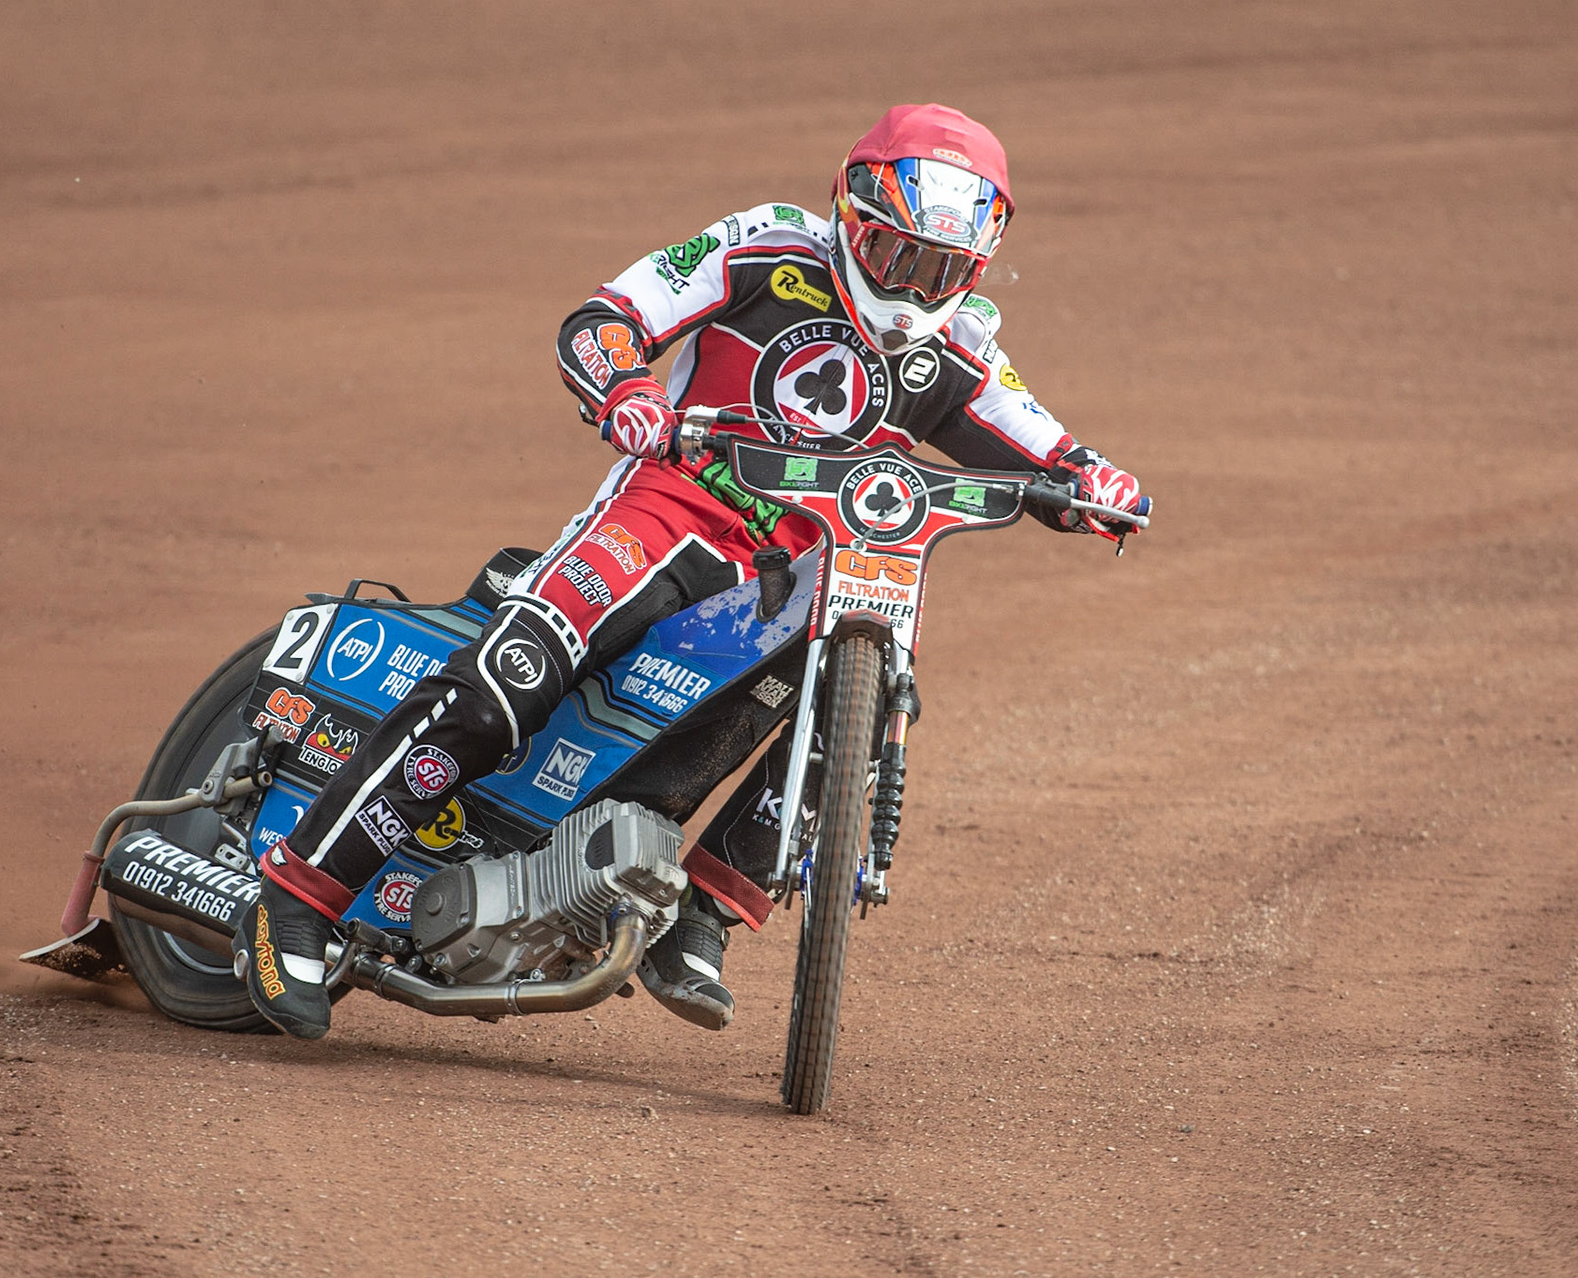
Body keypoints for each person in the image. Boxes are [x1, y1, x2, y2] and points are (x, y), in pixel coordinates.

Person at [234, 103, 1150, 1040]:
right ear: (851, 212)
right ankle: (298, 893)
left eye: (941, 269)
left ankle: (702, 916)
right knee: (511, 679)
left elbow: (1044, 438)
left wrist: (1094, 481)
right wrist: (626, 387)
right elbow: (605, 320)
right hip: (666, 509)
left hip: (793, 570)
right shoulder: (764, 246)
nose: (914, 287)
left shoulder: (957, 348)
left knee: (862, 694)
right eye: (897, 256)